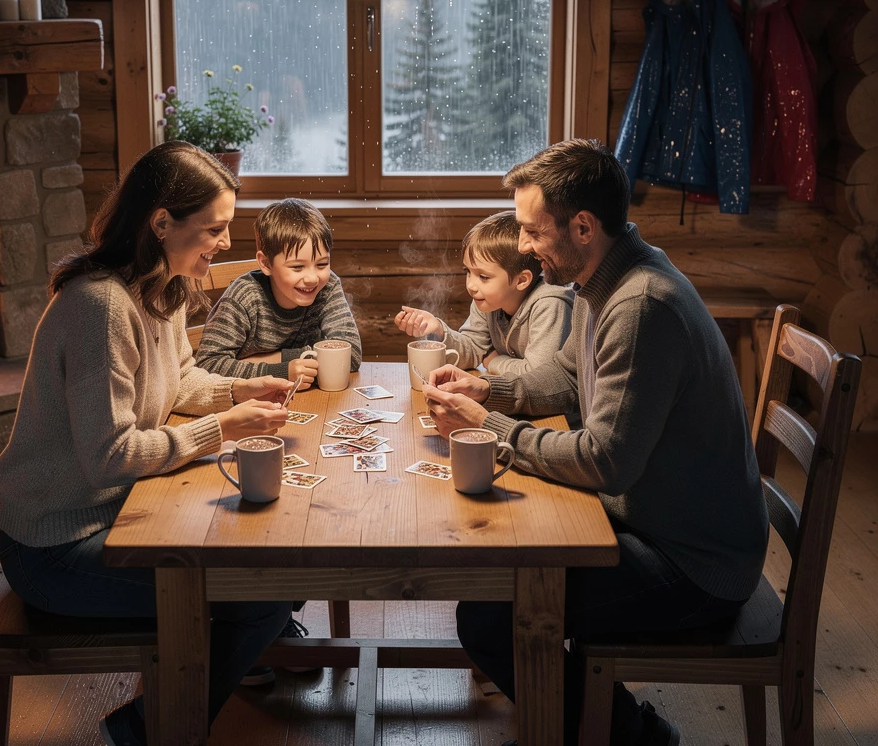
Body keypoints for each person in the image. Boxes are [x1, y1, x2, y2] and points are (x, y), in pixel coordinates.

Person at [422, 139, 769, 746]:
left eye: (532, 231)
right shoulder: (603, 278)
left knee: (490, 618)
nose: (523, 244)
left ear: (582, 226)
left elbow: (606, 462)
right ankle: (598, 719)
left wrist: (492, 431)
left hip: (695, 562)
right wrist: (487, 386)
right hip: (663, 525)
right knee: (503, 573)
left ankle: (636, 737)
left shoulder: (640, 304)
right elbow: (563, 376)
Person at [0, 141, 296, 746]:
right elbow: (112, 455)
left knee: (272, 561)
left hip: (118, 511)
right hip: (56, 546)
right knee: (266, 593)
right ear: (162, 222)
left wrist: (240, 390)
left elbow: (178, 378)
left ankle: (254, 641)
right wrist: (224, 428)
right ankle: (144, 727)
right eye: (214, 228)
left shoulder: (162, 284)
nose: (226, 243)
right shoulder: (100, 307)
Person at [195, 197, 362, 388]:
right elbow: (207, 366)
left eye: (322, 264)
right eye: (298, 267)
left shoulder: (328, 286)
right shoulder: (244, 297)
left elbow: (350, 355)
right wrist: (283, 370)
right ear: (266, 263)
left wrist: (267, 358)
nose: (312, 278)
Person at [393, 209, 574, 375]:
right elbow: (472, 350)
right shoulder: (487, 300)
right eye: (468, 272)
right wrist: (439, 330)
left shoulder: (550, 305)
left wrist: (494, 361)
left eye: (484, 277)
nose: (471, 285)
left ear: (521, 280)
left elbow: (539, 375)